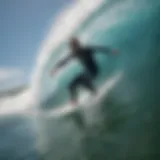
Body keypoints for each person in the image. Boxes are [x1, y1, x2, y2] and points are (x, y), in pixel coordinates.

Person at [51, 37, 118, 106]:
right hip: (86, 73)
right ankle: (75, 101)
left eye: (74, 45)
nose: (73, 48)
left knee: (82, 81)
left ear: (78, 44)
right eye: (72, 46)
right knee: (70, 85)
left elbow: (99, 49)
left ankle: (94, 92)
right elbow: (64, 61)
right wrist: (55, 68)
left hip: (94, 71)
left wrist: (111, 51)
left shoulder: (86, 49)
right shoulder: (74, 54)